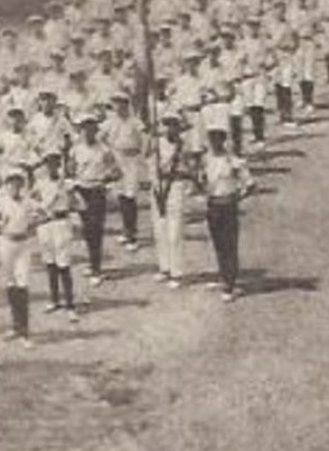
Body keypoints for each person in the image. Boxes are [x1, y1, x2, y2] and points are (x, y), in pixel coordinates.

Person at [0, 167, 37, 345]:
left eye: (18, 182)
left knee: (23, 285)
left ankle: (25, 331)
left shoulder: (28, 202)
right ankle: (16, 326)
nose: (15, 186)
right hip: (6, 243)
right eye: (11, 182)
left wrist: (32, 226)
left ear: (22, 184)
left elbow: (43, 214)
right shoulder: (1, 201)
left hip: (23, 245)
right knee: (10, 285)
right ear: (6, 185)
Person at [200, 129, 253, 302]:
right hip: (213, 205)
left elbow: (250, 184)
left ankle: (230, 284)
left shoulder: (233, 161)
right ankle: (224, 276)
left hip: (228, 205)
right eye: (211, 139)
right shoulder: (206, 160)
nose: (214, 143)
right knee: (218, 244)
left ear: (223, 141)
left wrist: (238, 197)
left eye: (218, 139)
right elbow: (202, 181)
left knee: (230, 244)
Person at [69, 113, 120, 286]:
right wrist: (74, 188)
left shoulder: (104, 150)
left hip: (97, 191)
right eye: (84, 128)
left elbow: (117, 172)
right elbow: (70, 172)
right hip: (82, 190)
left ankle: (97, 269)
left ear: (96, 129)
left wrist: (107, 177)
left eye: (91, 127)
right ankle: (92, 264)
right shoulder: (75, 149)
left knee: (96, 229)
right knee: (87, 230)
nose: (87, 131)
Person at [32, 149, 80, 321]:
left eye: (55, 162)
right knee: (49, 263)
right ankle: (54, 300)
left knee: (63, 264)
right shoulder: (40, 183)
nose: (52, 166)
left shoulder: (66, 184)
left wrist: (71, 198)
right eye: (48, 162)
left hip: (61, 223)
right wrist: (39, 212)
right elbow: (34, 201)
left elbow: (78, 204)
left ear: (59, 164)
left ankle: (70, 305)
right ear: (45, 165)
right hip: (45, 225)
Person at [151, 114, 192, 289]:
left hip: (175, 185)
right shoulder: (157, 143)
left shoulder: (184, 145)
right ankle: (164, 267)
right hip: (158, 186)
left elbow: (190, 168)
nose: (170, 128)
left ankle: (177, 272)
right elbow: (149, 161)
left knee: (174, 231)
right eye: (166, 125)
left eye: (173, 125)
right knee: (160, 228)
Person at [104, 91, 147, 248]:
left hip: (132, 161)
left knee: (130, 197)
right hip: (117, 160)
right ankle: (126, 231)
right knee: (122, 197)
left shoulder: (135, 122)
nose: (118, 107)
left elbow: (145, 138)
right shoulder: (110, 122)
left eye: (121, 103)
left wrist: (141, 153)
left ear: (127, 104)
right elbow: (99, 136)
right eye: (115, 103)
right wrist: (108, 153)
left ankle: (133, 235)